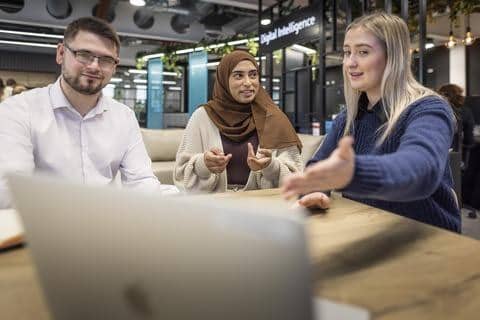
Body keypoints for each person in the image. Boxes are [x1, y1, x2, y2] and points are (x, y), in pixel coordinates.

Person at [282, 12, 460, 232]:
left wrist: (352, 173)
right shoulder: (350, 116)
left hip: (428, 237)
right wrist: (314, 191)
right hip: (368, 230)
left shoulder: (428, 109)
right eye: (347, 53)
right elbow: (317, 168)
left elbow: (421, 171)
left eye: (363, 52)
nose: (350, 63)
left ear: (393, 56)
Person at [0, 17, 176, 209]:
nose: (94, 66)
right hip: (41, 228)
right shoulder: (18, 110)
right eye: (84, 54)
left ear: (115, 66)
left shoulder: (124, 117)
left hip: (106, 227)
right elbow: (10, 193)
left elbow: (141, 182)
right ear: (61, 53)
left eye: (106, 59)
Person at [174, 50, 303, 193]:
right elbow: (181, 173)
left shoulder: (274, 118)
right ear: (224, 80)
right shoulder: (202, 117)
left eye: (253, 75)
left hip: (261, 206)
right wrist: (203, 164)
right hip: (213, 206)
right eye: (238, 76)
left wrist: (270, 166)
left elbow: (296, 176)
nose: (248, 82)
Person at [438, 84, 474, 154]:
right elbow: (469, 140)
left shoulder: (434, 111)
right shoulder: (465, 112)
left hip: (435, 156)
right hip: (455, 158)